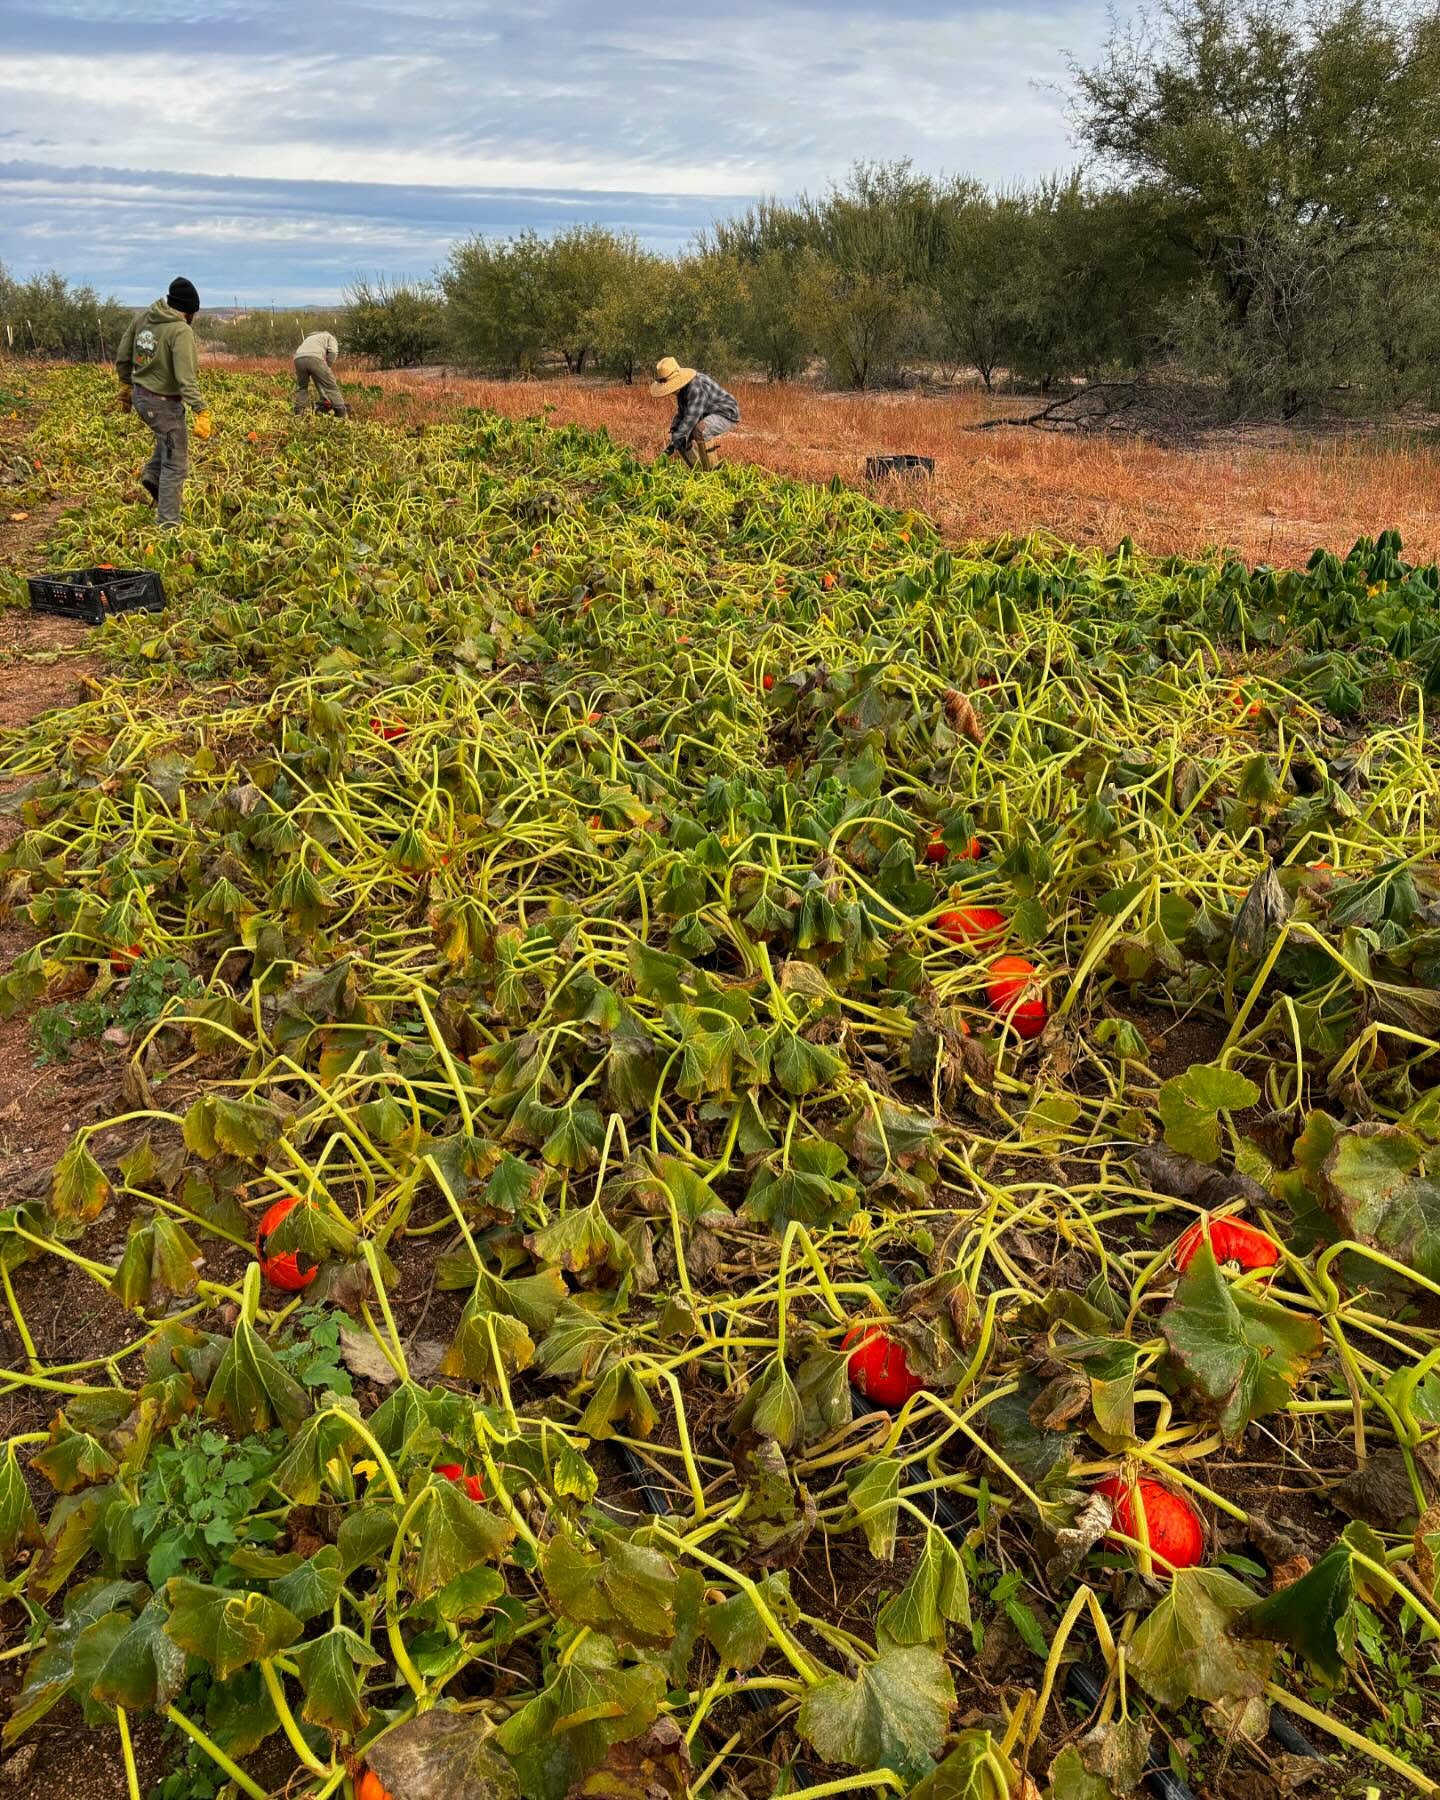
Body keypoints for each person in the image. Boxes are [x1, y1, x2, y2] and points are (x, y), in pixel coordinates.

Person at [115, 277, 211, 528]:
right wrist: (201, 409)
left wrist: (125, 386)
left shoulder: (144, 317)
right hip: (162, 403)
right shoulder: (181, 330)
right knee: (176, 464)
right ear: (189, 311)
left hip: (141, 397)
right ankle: (168, 526)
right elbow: (185, 377)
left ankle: (152, 476)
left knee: (167, 438)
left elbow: (124, 352)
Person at [650, 356, 739, 468]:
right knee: (680, 436)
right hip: (704, 413)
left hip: (725, 413)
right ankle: (697, 470)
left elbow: (691, 417)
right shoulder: (682, 389)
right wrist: (675, 430)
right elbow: (682, 413)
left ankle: (712, 471)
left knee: (700, 431)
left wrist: (679, 436)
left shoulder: (695, 386)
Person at [293, 329, 347, 417]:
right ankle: (340, 412)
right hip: (314, 357)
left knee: (302, 387)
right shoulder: (330, 337)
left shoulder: (310, 338)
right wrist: (328, 367)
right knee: (330, 386)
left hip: (298, 358)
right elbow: (333, 352)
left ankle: (299, 413)